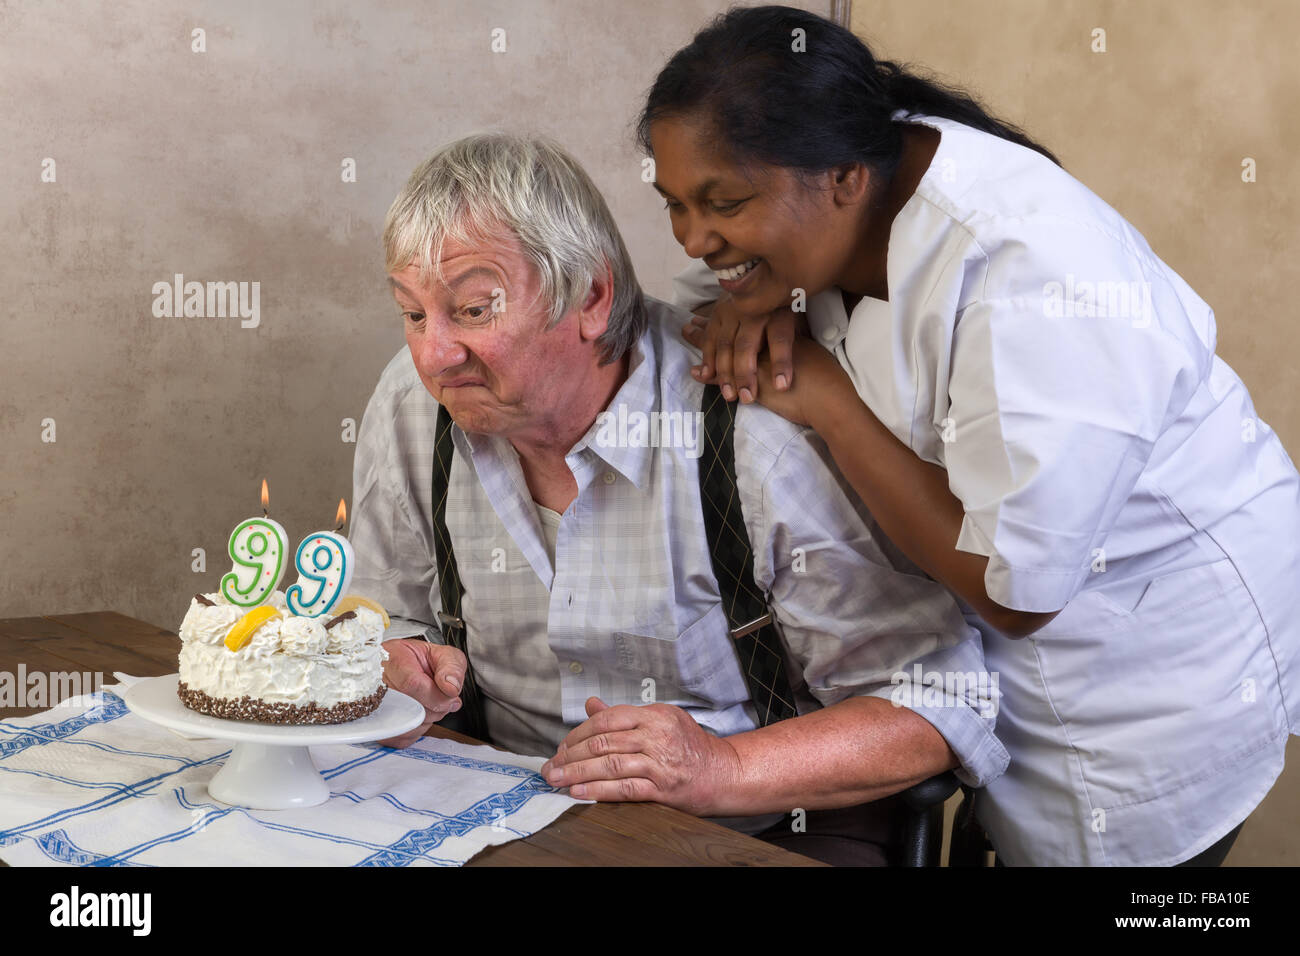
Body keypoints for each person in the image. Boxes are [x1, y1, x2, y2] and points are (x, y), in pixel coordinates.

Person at [642, 5, 1300, 866]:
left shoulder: (1030, 276)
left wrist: (827, 400)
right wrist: (753, 294)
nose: (695, 238)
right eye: (674, 206)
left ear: (842, 177)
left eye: (722, 204)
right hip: (996, 679)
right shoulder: (853, 187)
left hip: (1154, 676)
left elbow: (1016, 592)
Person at [348, 132, 1009, 865]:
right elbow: (388, 614)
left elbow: (936, 699)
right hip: (498, 811)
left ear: (591, 297)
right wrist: (394, 664)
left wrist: (722, 769)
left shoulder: (751, 431)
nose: (434, 354)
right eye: (413, 314)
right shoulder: (412, 407)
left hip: (748, 831)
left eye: (473, 309)